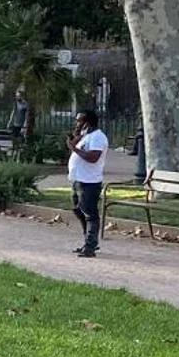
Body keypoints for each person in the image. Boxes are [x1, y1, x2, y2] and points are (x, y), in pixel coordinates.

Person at [67, 108, 109, 258]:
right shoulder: (86, 136)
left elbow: (93, 157)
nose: (76, 123)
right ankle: (88, 241)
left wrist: (74, 149)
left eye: (79, 120)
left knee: (90, 214)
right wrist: (75, 139)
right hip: (78, 180)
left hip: (89, 182)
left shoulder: (97, 137)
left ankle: (90, 246)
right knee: (78, 209)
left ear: (88, 122)